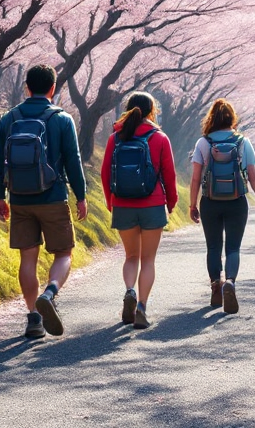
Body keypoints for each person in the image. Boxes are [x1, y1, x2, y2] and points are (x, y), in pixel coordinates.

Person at [0, 64, 87, 339]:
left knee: (27, 258)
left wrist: (1, 196)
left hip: (20, 199)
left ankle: (33, 317)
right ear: (53, 88)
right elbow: (73, 161)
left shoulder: (9, 118)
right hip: (54, 197)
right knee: (64, 253)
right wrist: (81, 196)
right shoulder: (62, 119)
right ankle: (50, 292)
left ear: (27, 87)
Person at [100, 91, 178, 330]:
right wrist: (171, 202)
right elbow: (169, 175)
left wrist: (110, 201)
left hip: (123, 204)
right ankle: (142, 307)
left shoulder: (116, 137)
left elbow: (105, 172)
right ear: (152, 111)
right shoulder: (160, 137)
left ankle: (129, 291)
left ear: (128, 109)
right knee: (148, 259)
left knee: (131, 256)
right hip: (152, 204)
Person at [189, 99, 255, 314]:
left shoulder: (203, 143)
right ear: (232, 118)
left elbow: (196, 178)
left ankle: (216, 283)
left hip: (210, 202)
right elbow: (253, 175)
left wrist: (192, 204)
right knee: (233, 247)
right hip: (237, 201)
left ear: (211, 118)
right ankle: (230, 282)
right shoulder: (243, 142)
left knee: (213, 246)